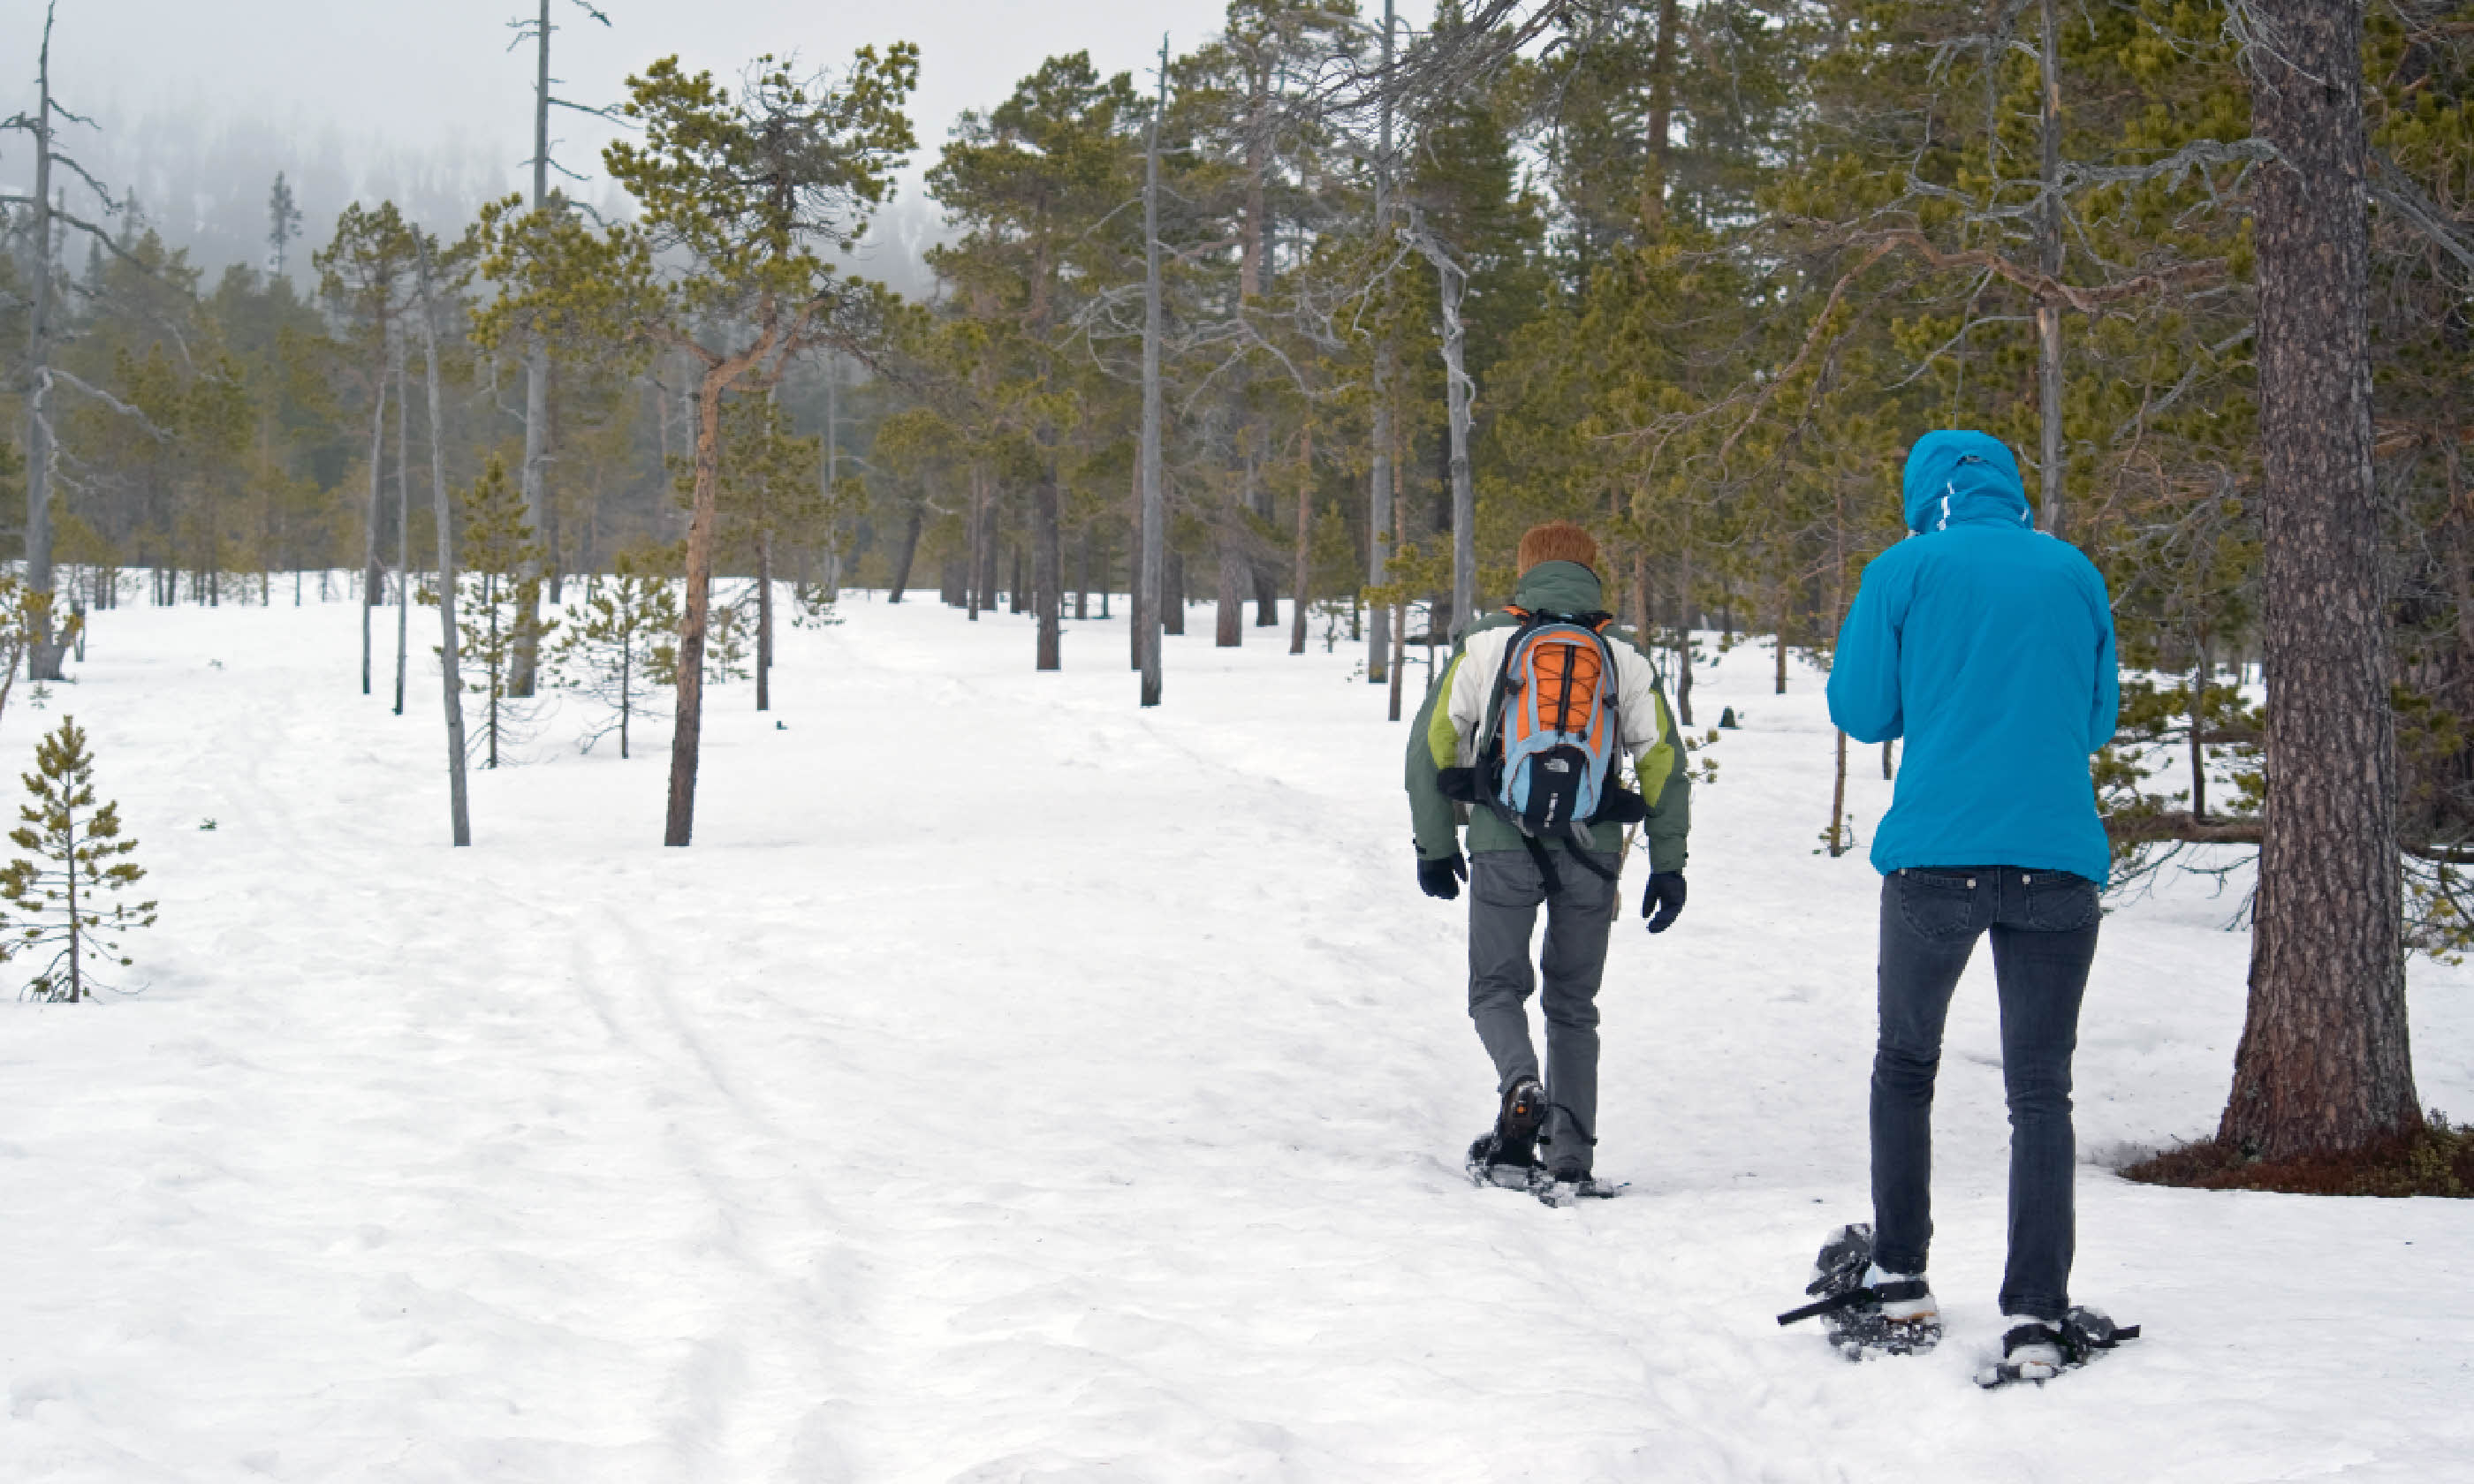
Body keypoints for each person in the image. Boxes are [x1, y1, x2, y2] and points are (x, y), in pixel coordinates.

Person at [1823, 430, 2121, 1381]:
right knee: (2042, 1092)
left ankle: (1900, 1277)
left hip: (1935, 857)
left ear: (1922, 494)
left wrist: (1937, 692)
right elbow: (2098, 720)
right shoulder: (2072, 571)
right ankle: (2036, 1316)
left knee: (1905, 1064)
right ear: (2010, 490)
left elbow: (1861, 711)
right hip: (2056, 857)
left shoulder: (1903, 568)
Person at [1405, 521, 1692, 1197]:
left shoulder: (1485, 643)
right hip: (1590, 852)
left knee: (1496, 988)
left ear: (1524, 570)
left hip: (1502, 842)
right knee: (1573, 1005)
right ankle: (1570, 1156)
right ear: (1593, 571)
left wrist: (1437, 845)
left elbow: (1432, 746)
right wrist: (1669, 863)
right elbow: (1664, 763)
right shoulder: (1620, 653)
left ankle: (1519, 1083)